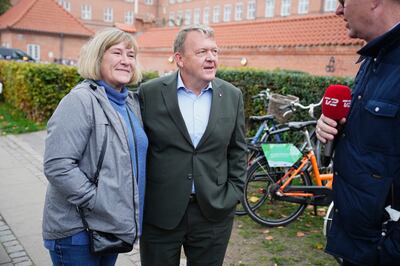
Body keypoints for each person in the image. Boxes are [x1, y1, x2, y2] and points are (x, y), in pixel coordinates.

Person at [138, 25, 247, 266]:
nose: (211, 58)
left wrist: (232, 194)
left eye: (214, 51)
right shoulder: (150, 93)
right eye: (201, 52)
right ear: (179, 59)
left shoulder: (232, 95)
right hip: (160, 212)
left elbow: (238, 150)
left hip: (213, 212)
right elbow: (138, 149)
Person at [42, 28, 148, 265]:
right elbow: (57, 165)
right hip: (77, 232)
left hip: (111, 227)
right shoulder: (80, 100)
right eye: (117, 53)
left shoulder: (130, 103)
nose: (125, 61)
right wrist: (98, 201)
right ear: (98, 57)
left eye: (131, 55)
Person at [316, 0, 400, 265]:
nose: (338, 10)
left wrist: (389, 250)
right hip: (358, 245)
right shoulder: (372, 59)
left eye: (343, 1)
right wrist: (335, 128)